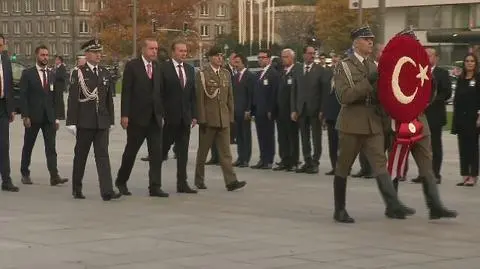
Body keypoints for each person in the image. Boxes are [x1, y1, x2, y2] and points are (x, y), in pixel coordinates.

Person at [333, 26, 414, 223]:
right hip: (352, 122)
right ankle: (339, 209)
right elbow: (344, 97)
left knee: (380, 165)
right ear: (356, 43)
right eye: (365, 39)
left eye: (371, 39)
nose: (370, 42)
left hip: (373, 122)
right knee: (344, 167)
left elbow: (383, 95)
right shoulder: (344, 66)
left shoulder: (375, 66)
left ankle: (393, 203)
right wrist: (368, 83)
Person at [389, 28, 457, 220]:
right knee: (396, 164)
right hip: (401, 121)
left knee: (426, 165)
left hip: (420, 120)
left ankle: (435, 206)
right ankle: (392, 204)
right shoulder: (393, 65)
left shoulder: (420, 65)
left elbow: (431, 88)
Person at [66, 39, 121, 201]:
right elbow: (73, 99)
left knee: (103, 156)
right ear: (88, 54)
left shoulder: (104, 72)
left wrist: (110, 120)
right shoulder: (79, 73)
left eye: (100, 52)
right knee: (81, 156)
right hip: (85, 121)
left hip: (101, 121)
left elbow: (108, 100)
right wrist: (71, 122)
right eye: (95, 52)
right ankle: (77, 188)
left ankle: (107, 190)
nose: (99, 55)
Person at [115, 38, 169, 197]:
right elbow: (127, 92)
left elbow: (161, 92)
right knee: (131, 152)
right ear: (143, 50)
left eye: (156, 49)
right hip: (137, 118)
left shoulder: (158, 67)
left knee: (156, 154)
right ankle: (121, 181)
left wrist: (162, 113)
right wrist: (125, 114)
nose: (155, 52)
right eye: (152, 49)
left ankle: (155, 186)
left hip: (155, 118)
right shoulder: (133, 66)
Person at [194, 47, 246, 191]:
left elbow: (230, 97)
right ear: (210, 58)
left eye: (221, 56)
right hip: (209, 120)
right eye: (216, 56)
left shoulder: (225, 74)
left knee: (226, 153)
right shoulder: (202, 75)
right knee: (203, 152)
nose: (219, 59)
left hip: (223, 119)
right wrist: (201, 118)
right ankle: (199, 179)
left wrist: (231, 117)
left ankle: (231, 181)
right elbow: (200, 99)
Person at [19, 45, 68, 186]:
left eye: (47, 55)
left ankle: (54, 176)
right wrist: (25, 116)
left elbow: (56, 98)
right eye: (42, 55)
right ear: (36, 56)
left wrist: (57, 118)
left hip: (49, 117)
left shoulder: (52, 74)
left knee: (51, 147)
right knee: (28, 145)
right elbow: (23, 96)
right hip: (33, 117)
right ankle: (25, 173)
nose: (45, 57)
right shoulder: (28, 73)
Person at [159, 40, 197, 194]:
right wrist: (160, 114)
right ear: (173, 52)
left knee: (183, 153)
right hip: (169, 118)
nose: (183, 54)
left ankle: (182, 183)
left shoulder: (189, 69)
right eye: (180, 51)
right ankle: (154, 182)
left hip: (184, 118)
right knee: (161, 151)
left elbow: (192, 94)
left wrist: (194, 115)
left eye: (185, 51)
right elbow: (159, 94)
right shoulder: (163, 69)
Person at [412, 47, 451, 184]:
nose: (427, 58)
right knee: (421, 146)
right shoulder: (418, 72)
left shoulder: (442, 73)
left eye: (430, 55)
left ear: (436, 58)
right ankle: (423, 173)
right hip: (420, 115)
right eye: (425, 55)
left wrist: (431, 101)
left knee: (435, 145)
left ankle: (435, 174)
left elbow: (447, 93)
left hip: (435, 115)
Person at [291, 45, 326, 174]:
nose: (312, 56)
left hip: (315, 109)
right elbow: (294, 90)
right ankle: (307, 161)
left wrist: (322, 109)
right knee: (304, 137)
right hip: (301, 109)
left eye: (313, 53)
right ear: (304, 55)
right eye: (309, 53)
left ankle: (315, 162)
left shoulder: (320, 70)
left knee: (316, 137)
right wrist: (294, 109)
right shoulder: (298, 69)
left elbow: (323, 92)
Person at [452, 53, 480, 187]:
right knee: (462, 148)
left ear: (475, 63)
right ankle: (465, 175)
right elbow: (457, 99)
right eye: (467, 61)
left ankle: (473, 176)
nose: (469, 63)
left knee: (472, 148)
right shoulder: (461, 79)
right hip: (461, 118)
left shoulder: (478, 78)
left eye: (472, 61)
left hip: (473, 118)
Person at [251, 49, 279, 170]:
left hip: (267, 111)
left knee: (268, 135)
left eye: (263, 57)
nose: (261, 60)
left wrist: (270, 109)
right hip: (259, 110)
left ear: (269, 59)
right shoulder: (259, 74)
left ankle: (269, 159)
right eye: (259, 58)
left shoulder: (273, 74)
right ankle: (262, 158)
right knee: (261, 135)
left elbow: (273, 93)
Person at [273, 48, 299, 172]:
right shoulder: (282, 72)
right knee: (282, 137)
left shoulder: (296, 72)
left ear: (292, 58)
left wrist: (295, 109)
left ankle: (293, 160)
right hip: (281, 111)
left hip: (291, 110)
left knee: (292, 136)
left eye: (285, 57)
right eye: (282, 57)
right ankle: (284, 159)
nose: (283, 59)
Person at [0, 34, 19, 192]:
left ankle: (6, 180)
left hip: (3, 108)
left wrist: (11, 108)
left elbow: (10, 85)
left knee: (4, 145)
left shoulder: (5, 61)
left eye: (1, 46)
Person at [232, 53, 254, 168]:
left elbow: (251, 94)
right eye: (234, 62)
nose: (235, 65)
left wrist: (249, 109)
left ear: (243, 63)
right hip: (236, 111)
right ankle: (240, 157)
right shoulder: (235, 77)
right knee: (239, 135)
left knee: (246, 135)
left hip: (245, 111)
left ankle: (246, 158)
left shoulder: (249, 76)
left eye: (238, 62)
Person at [322, 53, 341, 176]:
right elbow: (325, 96)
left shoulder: (345, 76)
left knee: (341, 144)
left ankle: (342, 167)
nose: (334, 62)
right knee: (332, 143)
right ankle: (334, 166)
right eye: (333, 61)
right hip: (330, 115)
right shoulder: (329, 75)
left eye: (337, 60)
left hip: (341, 115)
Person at [53, 55, 68, 120]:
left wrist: (55, 74)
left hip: (60, 85)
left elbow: (62, 76)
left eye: (57, 60)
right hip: (56, 86)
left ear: (60, 61)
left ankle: (61, 115)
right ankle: (57, 114)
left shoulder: (62, 67)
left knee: (60, 100)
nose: (55, 61)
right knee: (57, 100)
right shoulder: (56, 67)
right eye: (55, 60)